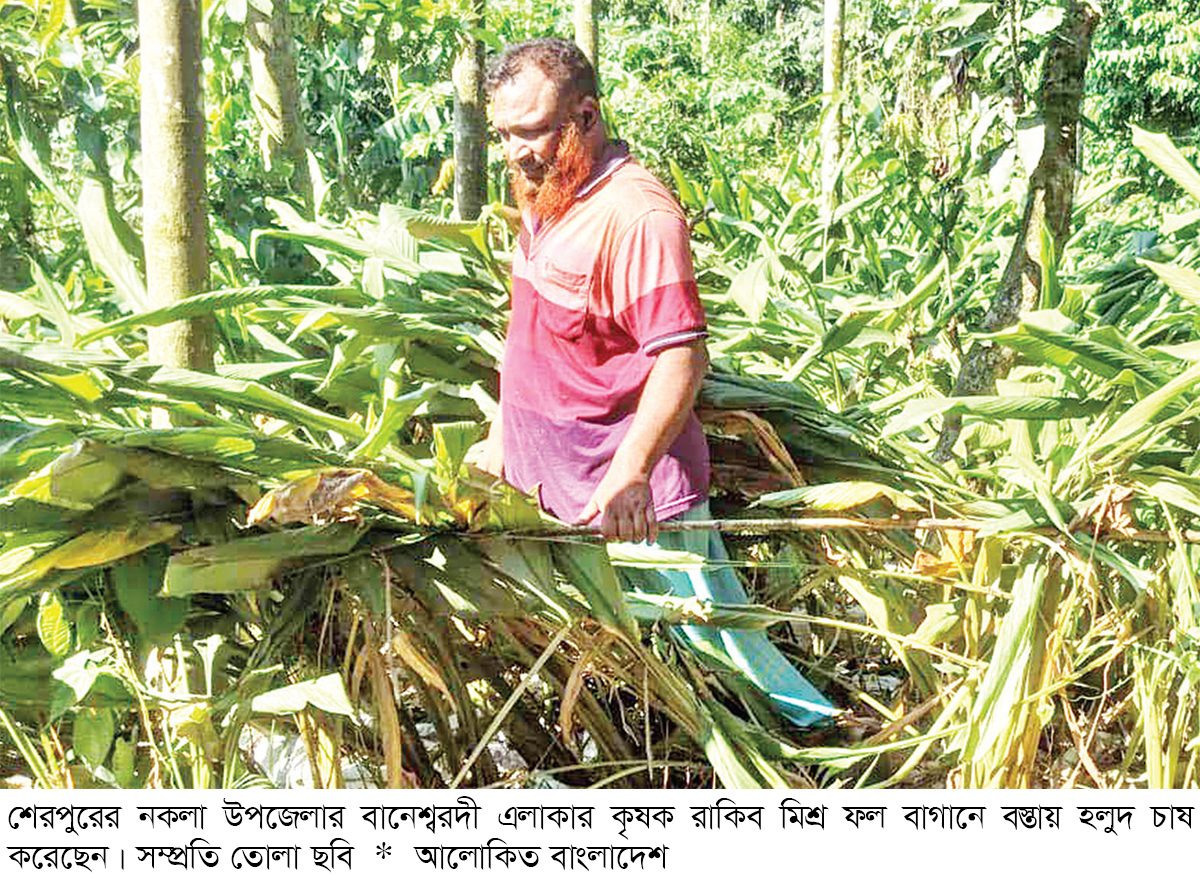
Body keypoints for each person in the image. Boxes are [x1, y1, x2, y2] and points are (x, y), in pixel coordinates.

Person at [481, 37, 836, 730]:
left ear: (587, 116)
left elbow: (682, 358)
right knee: (639, 659)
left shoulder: (638, 216)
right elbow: (531, 333)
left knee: (723, 646)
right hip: (559, 495)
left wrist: (632, 471)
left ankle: (835, 749)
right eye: (504, 134)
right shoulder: (548, 192)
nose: (518, 152)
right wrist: (501, 434)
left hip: (630, 501)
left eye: (534, 132)